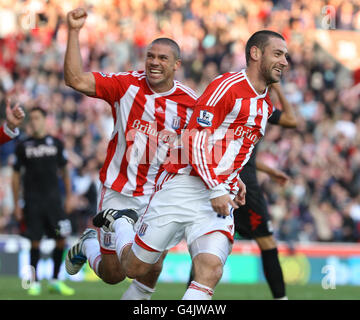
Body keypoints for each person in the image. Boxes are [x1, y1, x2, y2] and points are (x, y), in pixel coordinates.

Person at [93, 30, 289, 299]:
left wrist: (234, 178)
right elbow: (194, 139)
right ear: (256, 54)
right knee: (133, 268)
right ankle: (123, 222)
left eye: (285, 56)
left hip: (219, 195)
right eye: (278, 54)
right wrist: (216, 186)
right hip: (183, 186)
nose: (285, 61)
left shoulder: (265, 105)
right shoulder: (228, 87)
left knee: (210, 269)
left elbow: (231, 146)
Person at [63, 8, 197, 300]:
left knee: (151, 263)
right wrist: (73, 31)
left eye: (162, 58)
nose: (154, 62)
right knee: (114, 275)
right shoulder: (125, 86)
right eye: (150, 56)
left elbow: (202, 148)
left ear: (177, 64)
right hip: (119, 190)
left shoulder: (191, 104)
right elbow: (74, 79)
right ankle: (88, 243)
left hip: (157, 196)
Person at [187, 82, 296, 300]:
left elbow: (243, 152)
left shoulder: (257, 104)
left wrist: (269, 170)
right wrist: (278, 88)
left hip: (224, 178)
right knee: (265, 241)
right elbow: (292, 120)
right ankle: (281, 298)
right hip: (241, 182)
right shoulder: (250, 103)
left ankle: (191, 295)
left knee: (206, 240)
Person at [12, 107, 74, 296]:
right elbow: (15, 176)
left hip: (54, 204)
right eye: (33, 118)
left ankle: (55, 280)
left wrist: (69, 197)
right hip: (33, 203)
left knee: (61, 238)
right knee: (35, 241)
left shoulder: (56, 143)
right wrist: (16, 204)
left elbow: (64, 172)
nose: (35, 121)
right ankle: (35, 281)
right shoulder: (24, 145)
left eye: (38, 118)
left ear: (45, 120)